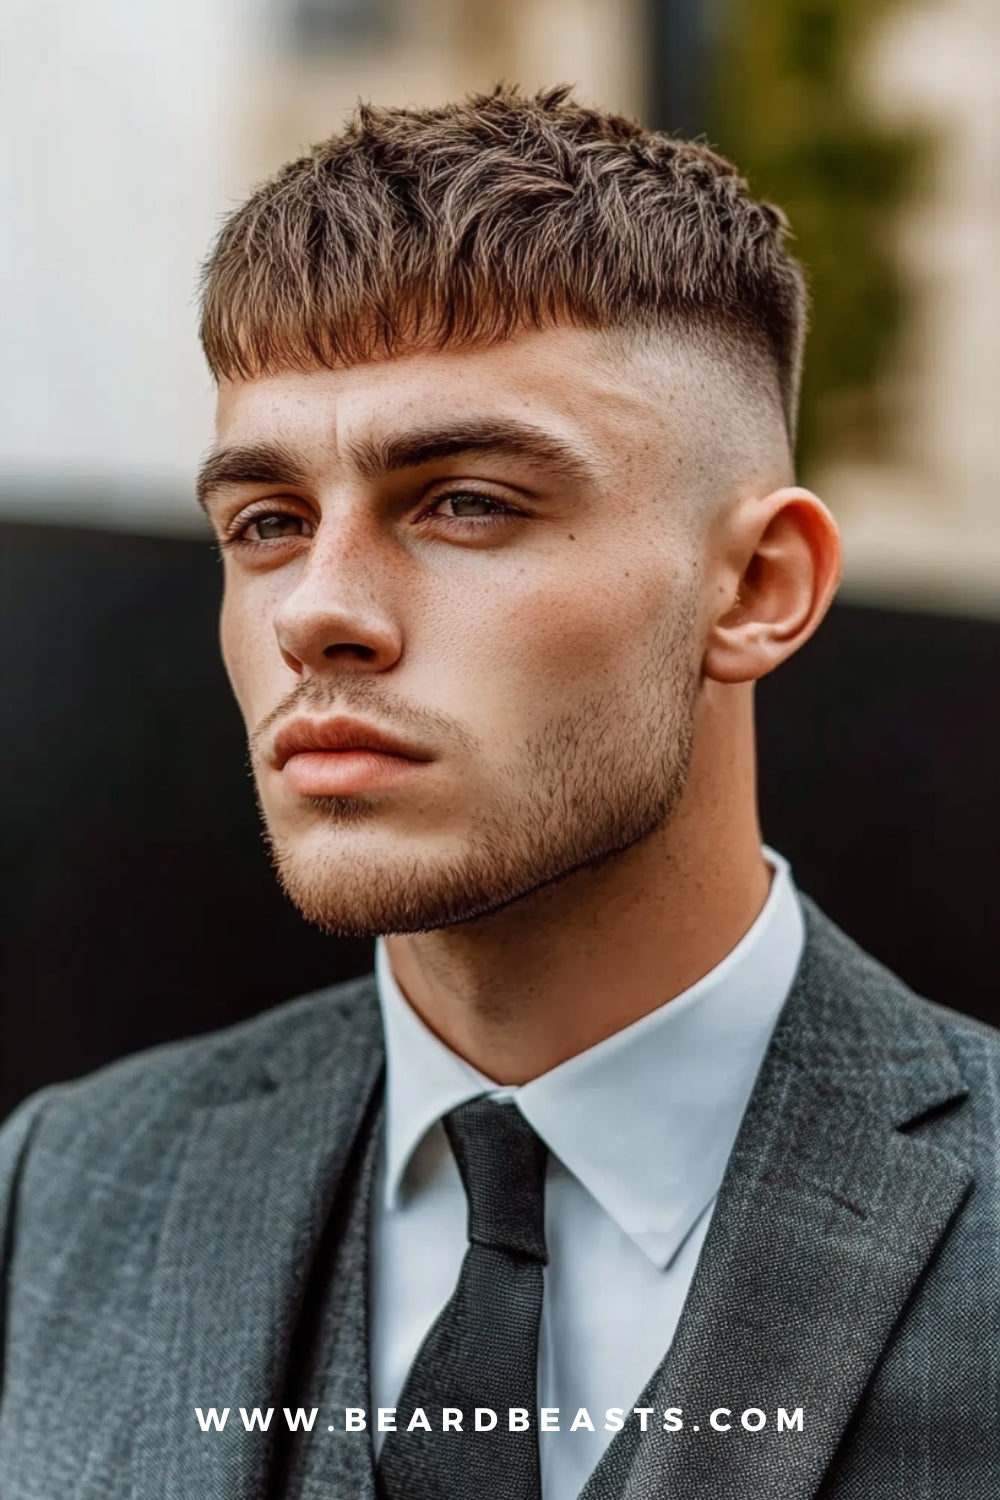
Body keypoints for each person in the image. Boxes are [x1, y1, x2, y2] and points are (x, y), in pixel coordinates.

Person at [0, 86, 995, 1500]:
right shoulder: (65, 1189)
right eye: (268, 523)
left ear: (758, 588)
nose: (318, 614)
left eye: (467, 500)